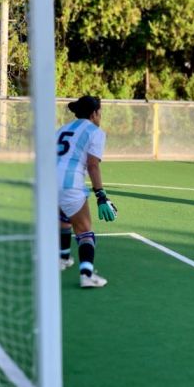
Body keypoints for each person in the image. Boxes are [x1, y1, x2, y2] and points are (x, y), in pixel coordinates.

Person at [56, 95, 117, 287]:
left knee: (64, 218)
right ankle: (87, 275)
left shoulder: (62, 129)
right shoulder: (95, 131)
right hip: (69, 183)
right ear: (94, 113)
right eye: (100, 113)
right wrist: (101, 195)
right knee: (84, 231)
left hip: (48, 182)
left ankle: (62, 259)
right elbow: (92, 165)